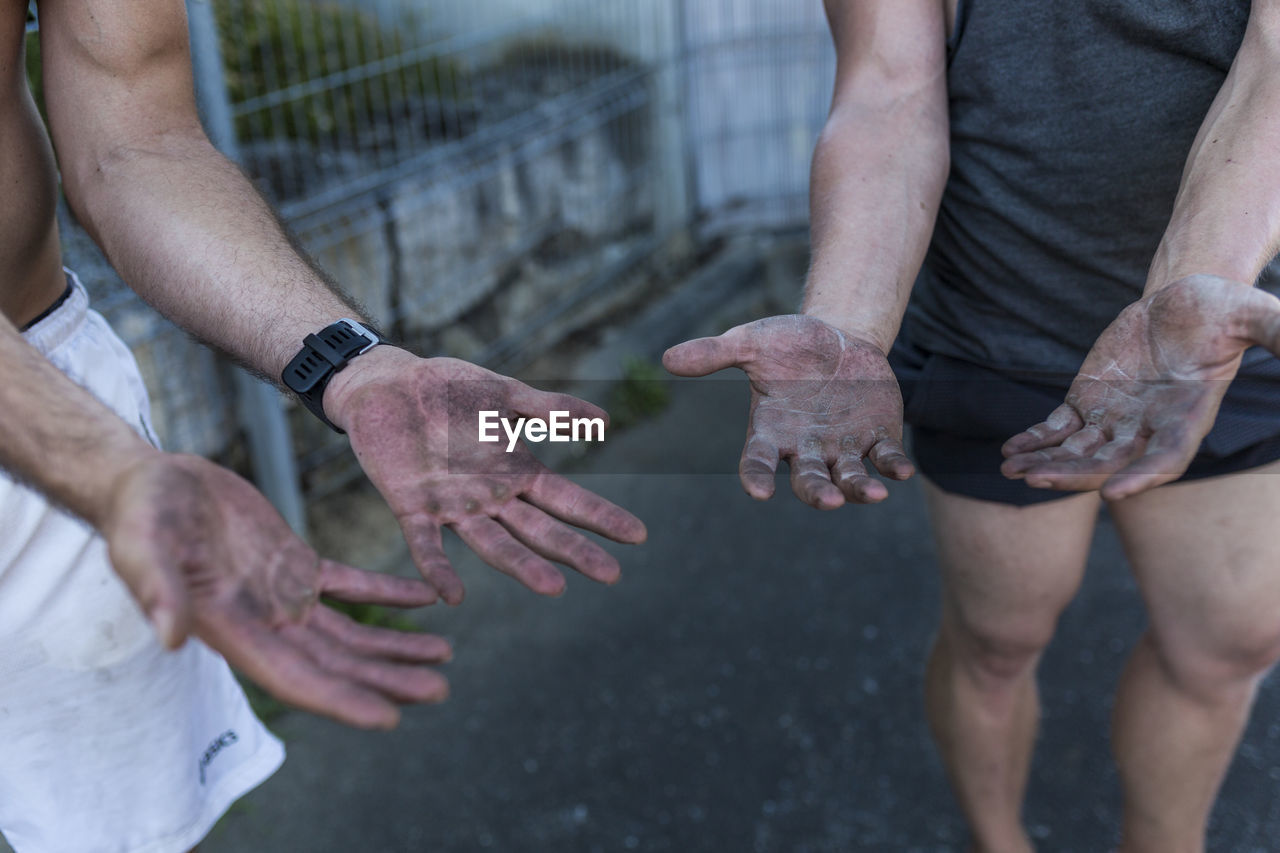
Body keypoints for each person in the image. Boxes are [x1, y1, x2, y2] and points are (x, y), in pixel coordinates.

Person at [0, 1, 646, 851]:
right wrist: (109, 471)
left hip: (54, 403)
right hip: (87, 455)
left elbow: (137, 140)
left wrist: (349, 362)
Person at [665, 1, 1280, 850]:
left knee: (1228, 643)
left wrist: (1188, 294)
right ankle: (997, 840)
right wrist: (847, 323)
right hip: (995, 313)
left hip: (1234, 311)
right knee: (997, 637)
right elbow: (888, 87)